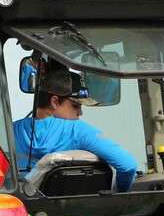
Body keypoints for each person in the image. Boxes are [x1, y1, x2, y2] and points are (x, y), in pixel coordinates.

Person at [13, 62, 138, 192]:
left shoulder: (11, 131)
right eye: (75, 106)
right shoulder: (76, 131)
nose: (80, 113)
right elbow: (128, 166)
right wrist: (121, 195)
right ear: (54, 101)